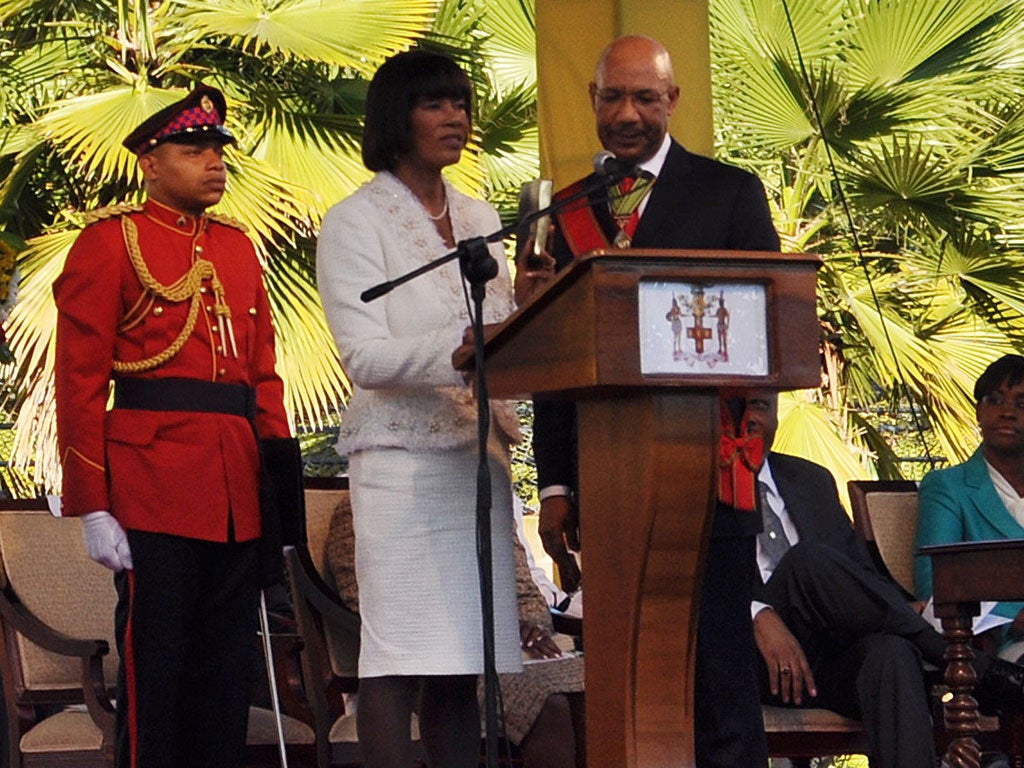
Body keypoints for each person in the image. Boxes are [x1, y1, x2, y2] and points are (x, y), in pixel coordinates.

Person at [530, 34, 780, 768]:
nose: (628, 112)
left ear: (672, 101)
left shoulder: (729, 192)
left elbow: (769, 318)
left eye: (645, 96)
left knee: (719, 675)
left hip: (707, 467)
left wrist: (756, 426)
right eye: (613, 96)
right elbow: (551, 354)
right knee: (633, 680)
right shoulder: (564, 208)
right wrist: (555, 482)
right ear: (593, 101)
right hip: (608, 484)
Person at [53, 85, 298, 768]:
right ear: (150, 163)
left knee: (226, 678)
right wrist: (94, 505)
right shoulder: (110, 243)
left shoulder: (240, 249)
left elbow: (264, 378)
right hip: (151, 487)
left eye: (218, 151)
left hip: (236, 492)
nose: (214, 163)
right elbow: (77, 382)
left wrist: (279, 494)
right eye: (194, 151)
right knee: (156, 674)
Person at [315, 50, 524, 768]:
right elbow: (365, 359)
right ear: (395, 118)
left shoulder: (480, 215)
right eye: (436, 104)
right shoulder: (354, 221)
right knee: (397, 661)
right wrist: (465, 346)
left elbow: (507, 332)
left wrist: (537, 302)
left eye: (462, 103)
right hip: (401, 466)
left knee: (460, 667)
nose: (456, 118)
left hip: (478, 462)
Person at [745, 389, 1024, 768]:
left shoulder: (808, 479)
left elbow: (858, 570)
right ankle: (964, 664)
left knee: (890, 654)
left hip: (828, 657)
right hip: (748, 656)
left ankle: (950, 659)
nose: (750, 418)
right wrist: (758, 614)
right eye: (737, 408)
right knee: (806, 561)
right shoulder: (688, 483)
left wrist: (902, 607)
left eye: (760, 405)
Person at [322, 493, 587, 768]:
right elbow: (369, 600)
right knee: (548, 702)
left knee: (593, 690)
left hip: (517, 650)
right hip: (435, 659)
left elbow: (524, 590)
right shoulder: (365, 503)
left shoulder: (484, 493)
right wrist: (483, 628)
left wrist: (531, 626)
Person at [916, 353, 1024, 657]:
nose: (1007, 412)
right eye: (995, 400)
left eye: (1021, 404)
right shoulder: (948, 487)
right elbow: (935, 585)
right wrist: (1014, 617)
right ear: (979, 411)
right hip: (999, 646)